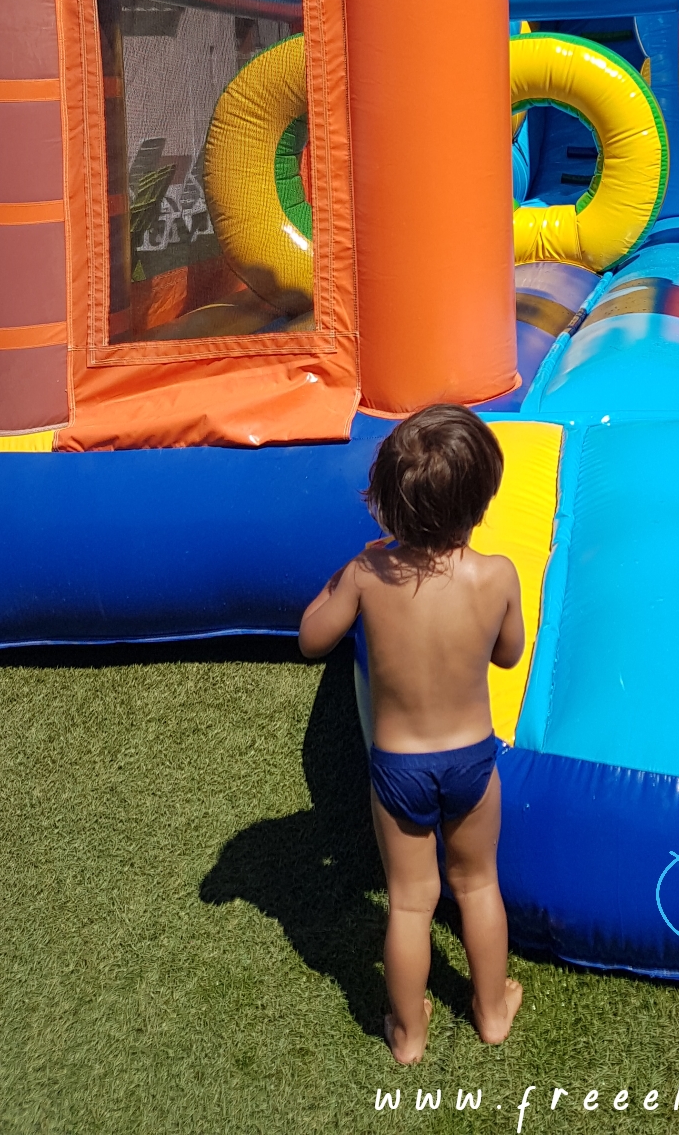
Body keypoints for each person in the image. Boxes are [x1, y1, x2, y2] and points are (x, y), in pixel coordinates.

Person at [298, 405, 524, 1064]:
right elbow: (507, 656)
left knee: (409, 901)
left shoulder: (369, 577)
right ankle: (491, 1011)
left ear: (390, 508)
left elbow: (313, 640)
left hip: (398, 766)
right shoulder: (496, 575)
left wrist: (341, 578)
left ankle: (409, 1034)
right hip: (471, 762)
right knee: (478, 884)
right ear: (481, 500)